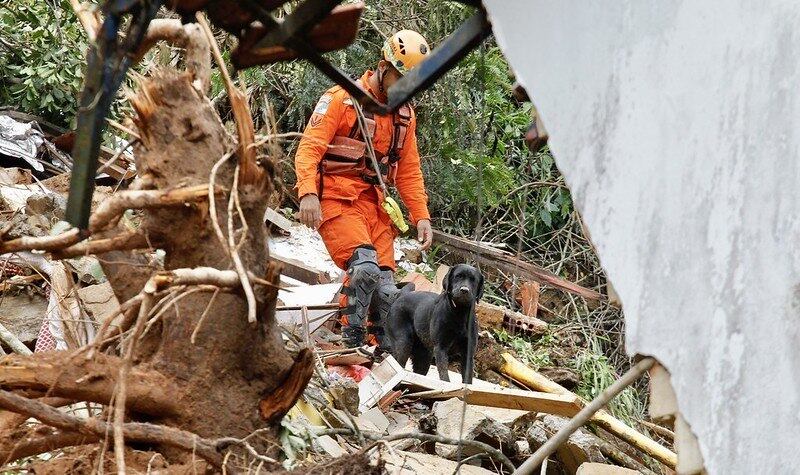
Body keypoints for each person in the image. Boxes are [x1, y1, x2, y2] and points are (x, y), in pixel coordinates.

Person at [294, 30, 434, 347]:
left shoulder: (405, 117)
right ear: (384, 67)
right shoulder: (340, 100)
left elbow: (409, 169)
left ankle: (379, 350)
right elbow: (309, 149)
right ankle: (351, 340)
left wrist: (420, 216)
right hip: (337, 199)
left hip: (377, 208)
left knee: (386, 290)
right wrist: (308, 193)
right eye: (402, 78)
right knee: (365, 270)